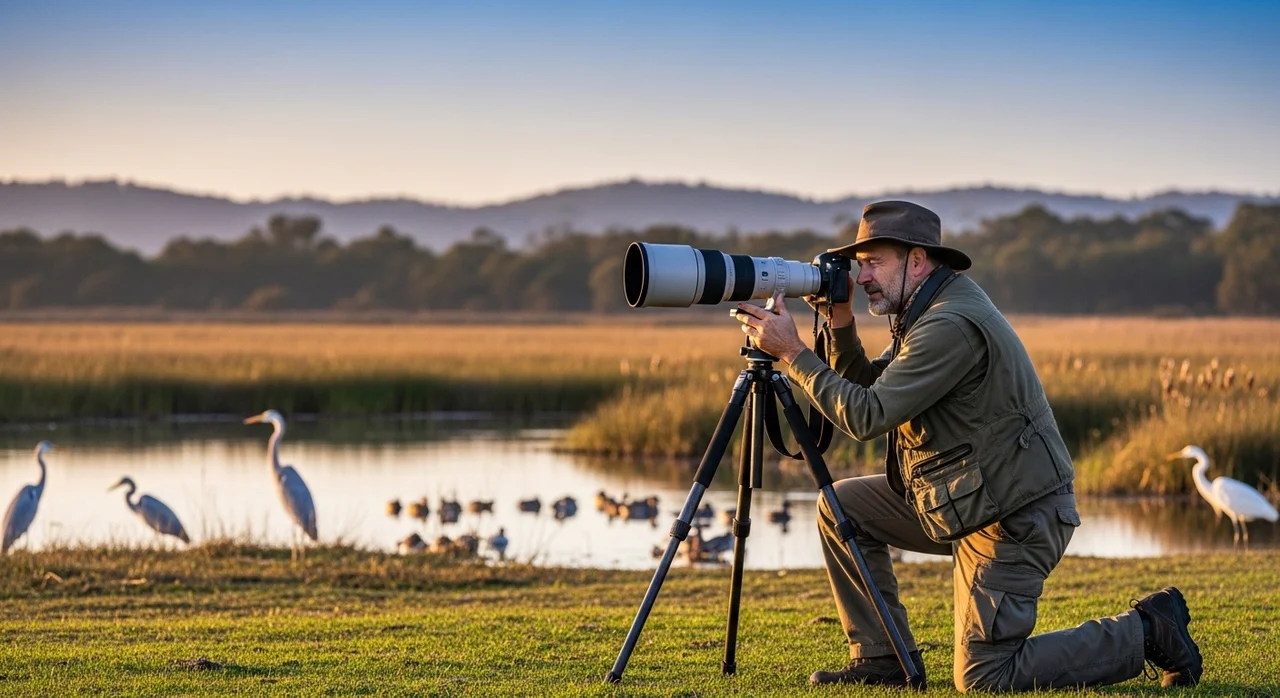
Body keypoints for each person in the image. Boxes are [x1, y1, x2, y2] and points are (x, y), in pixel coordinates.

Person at [733, 200, 1202, 691]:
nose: (862, 275)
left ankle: (1149, 630)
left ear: (917, 260)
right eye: (860, 264)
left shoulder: (948, 324)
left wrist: (793, 353)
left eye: (874, 262)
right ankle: (881, 658)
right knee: (842, 506)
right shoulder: (928, 308)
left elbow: (867, 415)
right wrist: (841, 321)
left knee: (983, 676)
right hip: (970, 498)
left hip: (1014, 516)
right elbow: (872, 386)